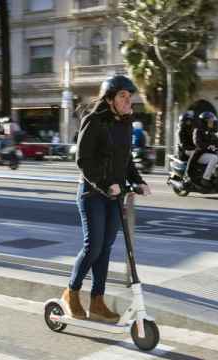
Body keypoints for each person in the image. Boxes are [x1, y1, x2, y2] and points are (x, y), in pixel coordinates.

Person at [62, 75, 151, 323]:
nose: (127, 100)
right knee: (94, 246)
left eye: (129, 96)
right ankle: (71, 291)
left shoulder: (124, 123)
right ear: (110, 98)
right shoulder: (94, 120)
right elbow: (83, 160)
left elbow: (126, 161)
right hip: (92, 193)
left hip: (114, 195)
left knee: (106, 248)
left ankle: (97, 301)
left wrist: (138, 181)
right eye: (123, 95)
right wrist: (104, 183)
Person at [192, 111, 218, 188]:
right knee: (214, 158)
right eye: (210, 121)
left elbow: (215, 140)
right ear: (205, 121)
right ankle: (205, 179)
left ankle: (213, 176)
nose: (212, 123)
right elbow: (197, 143)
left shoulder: (209, 131)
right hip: (199, 154)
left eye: (212, 121)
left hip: (205, 153)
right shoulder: (197, 131)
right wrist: (208, 146)